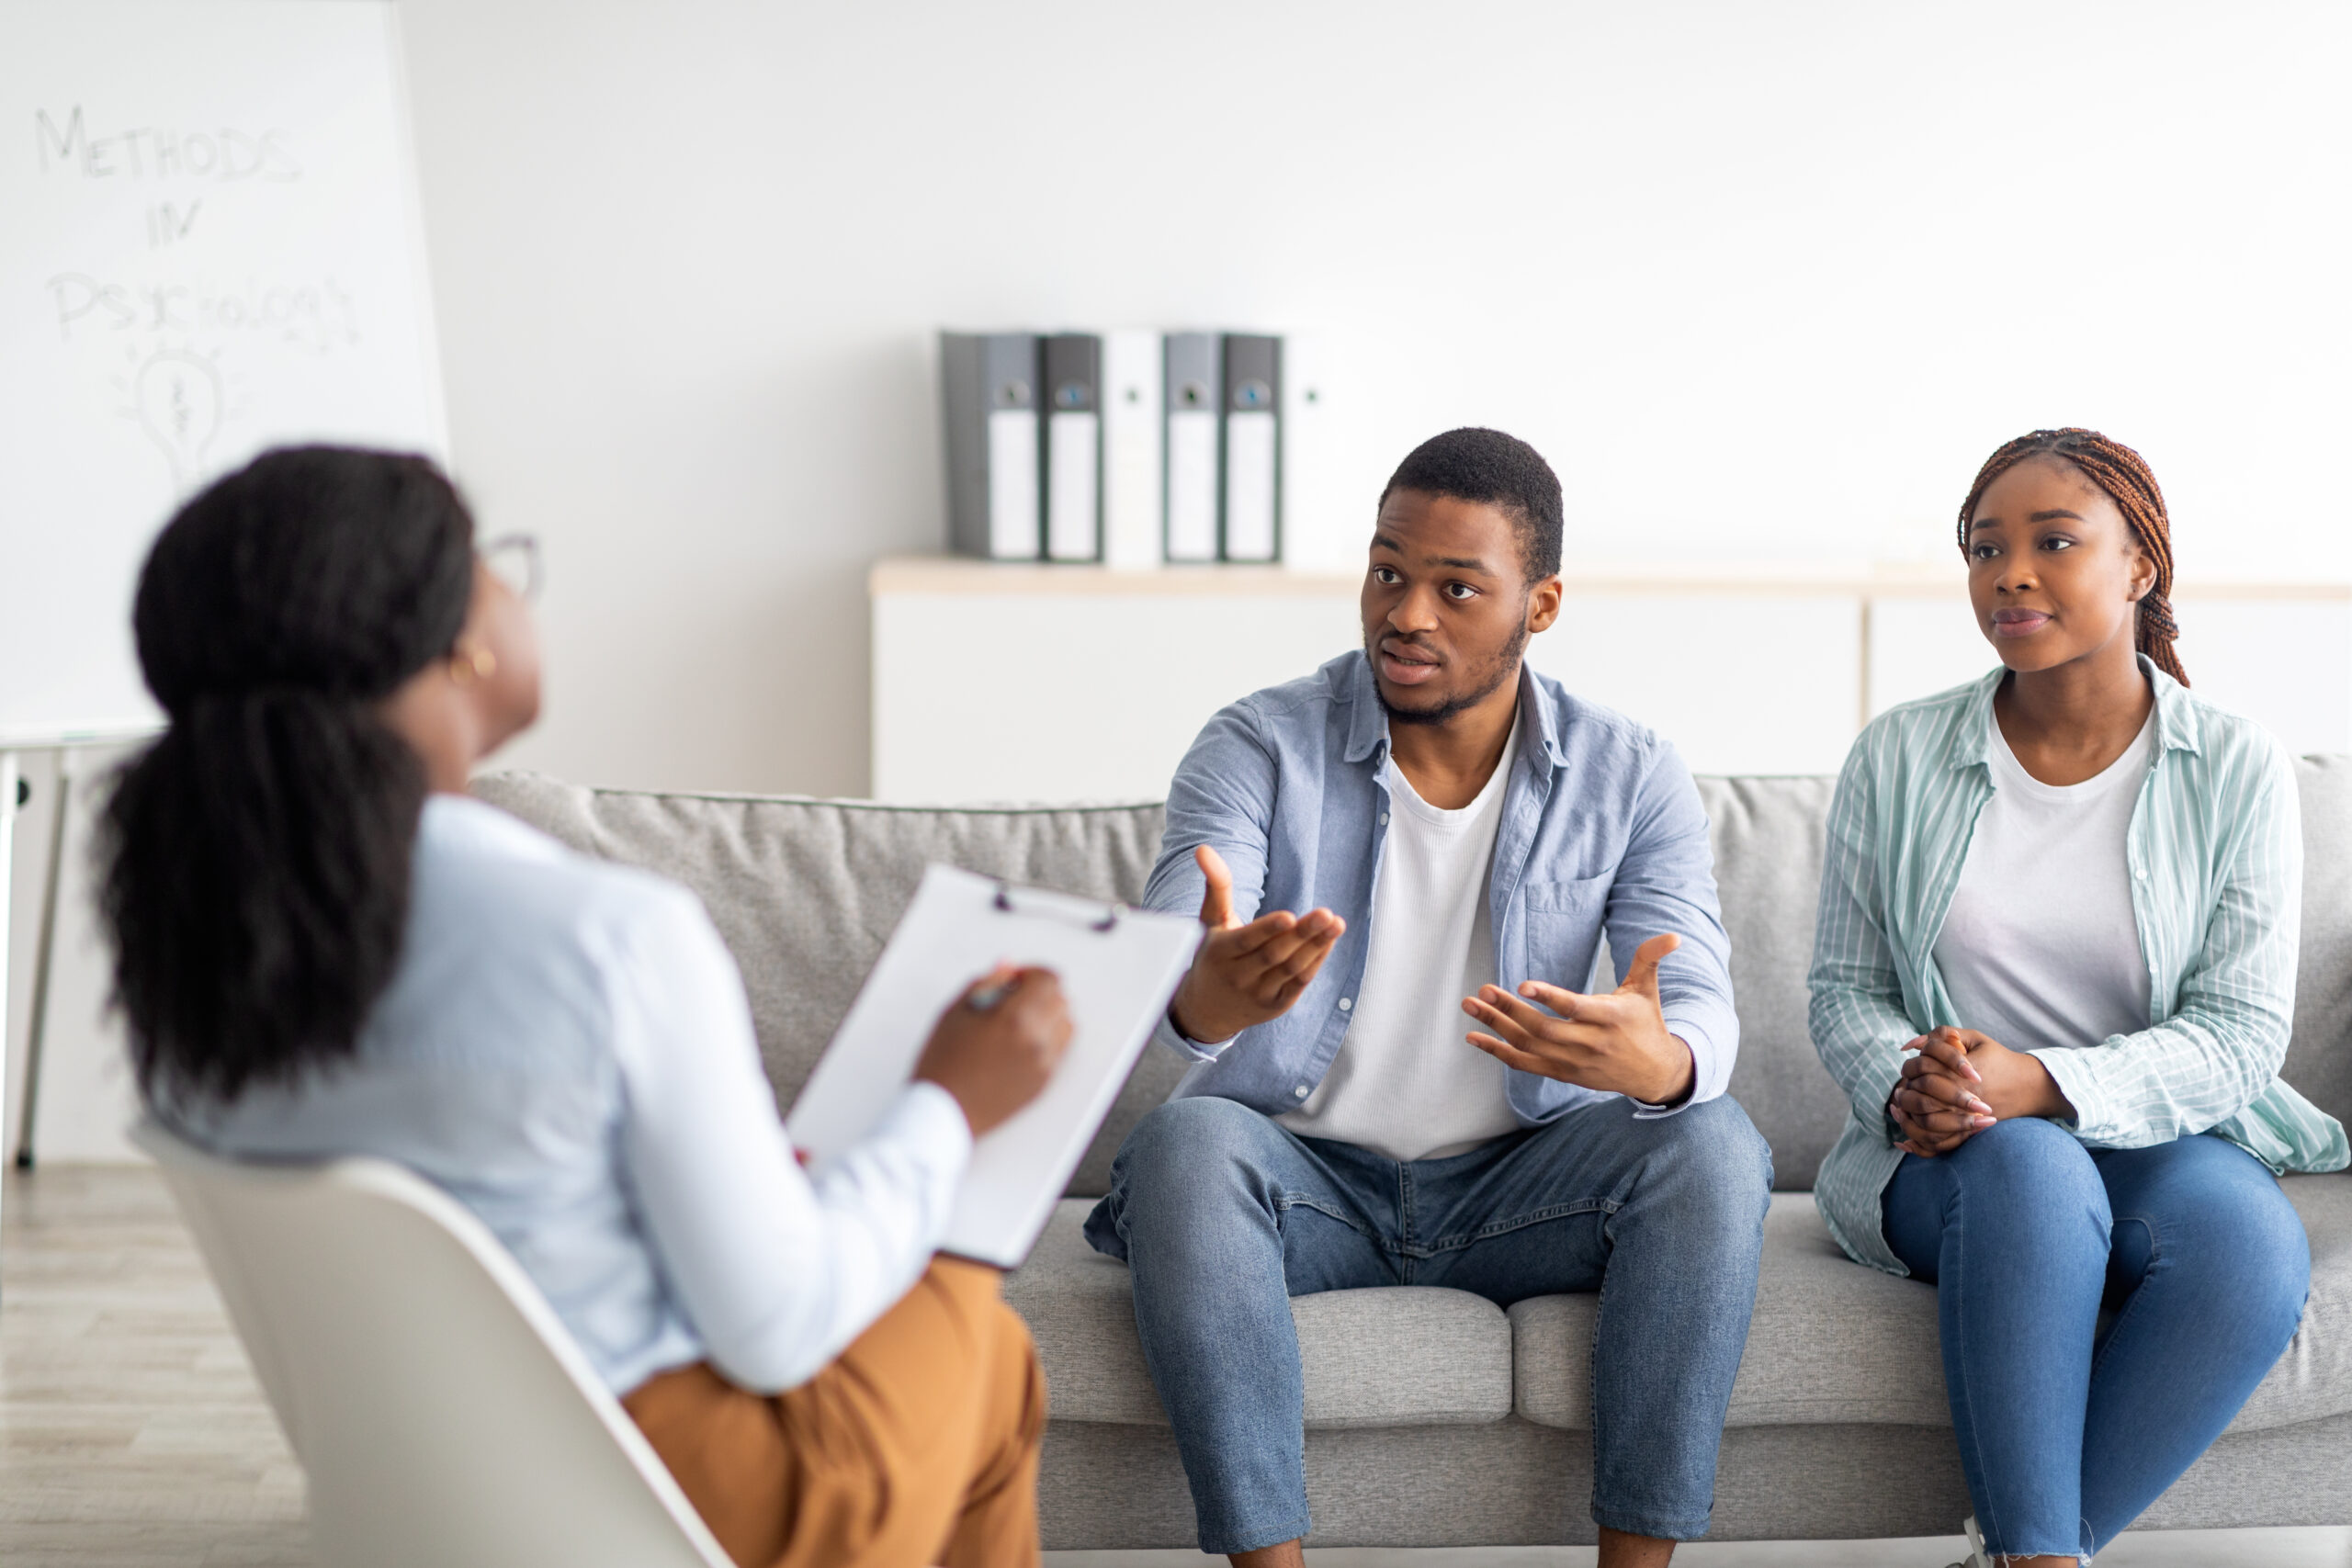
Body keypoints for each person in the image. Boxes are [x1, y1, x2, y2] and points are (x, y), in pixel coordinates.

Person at [100, 446, 1073, 1568]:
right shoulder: (604, 936)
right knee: (985, 1345)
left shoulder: (188, 939)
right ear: (452, 641)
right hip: (665, 1492)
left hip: (419, 1489)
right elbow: (778, 1327)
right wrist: (951, 1103)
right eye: (492, 565)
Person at [1085, 427, 1773, 1568]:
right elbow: (1173, 943)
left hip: (1523, 1187)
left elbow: (1695, 994)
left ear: (1539, 605)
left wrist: (1661, 1062)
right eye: (1388, 571)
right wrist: (1202, 990)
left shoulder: (1630, 771)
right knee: (1185, 1145)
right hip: (1305, 1183)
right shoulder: (1258, 743)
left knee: (1714, 1143)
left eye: (1457, 588)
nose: (1407, 613)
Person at [1807, 428, 2349, 1568]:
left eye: (2054, 542)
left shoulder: (2235, 764)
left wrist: (2048, 1081)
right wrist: (1918, 1081)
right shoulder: (1896, 754)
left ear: (2139, 566)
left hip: (2161, 1133)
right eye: (1984, 548)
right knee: (2033, 1166)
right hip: (1950, 1153)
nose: (2010, 572)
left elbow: (2244, 1029)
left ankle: (2027, 1555)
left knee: (2248, 1256)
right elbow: (1845, 990)